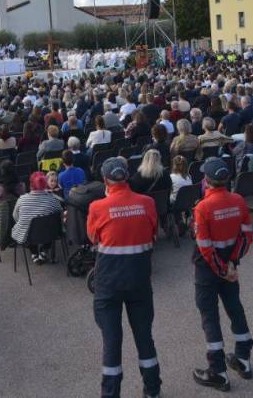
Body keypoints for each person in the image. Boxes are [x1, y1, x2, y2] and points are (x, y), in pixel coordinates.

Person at [86, 157, 161, 398]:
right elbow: (153, 234)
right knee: (144, 337)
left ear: (105, 180)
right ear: (127, 176)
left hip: (109, 283)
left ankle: (110, 394)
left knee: (111, 341)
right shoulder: (147, 203)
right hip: (140, 280)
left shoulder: (97, 207)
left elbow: (92, 238)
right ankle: (152, 389)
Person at [191, 157, 253, 391]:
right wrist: (230, 265)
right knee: (235, 308)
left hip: (208, 270)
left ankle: (217, 370)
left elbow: (205, 246)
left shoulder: (202, 207)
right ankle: (243, 358)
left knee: (210, 317)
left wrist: (221, 269)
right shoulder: (238, 200)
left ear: (206, 181)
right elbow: (247, 236)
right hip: (230, 266)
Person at [11, 172, 63, 265]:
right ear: (45, 184)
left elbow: (15, 216)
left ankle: (34, 253)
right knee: (51, 225)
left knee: (27, 228)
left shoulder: (22, 200)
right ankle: (43, 251)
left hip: (28, 236)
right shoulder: (53, 199)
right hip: (49, 234)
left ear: (30, 185)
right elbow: (60, 213)